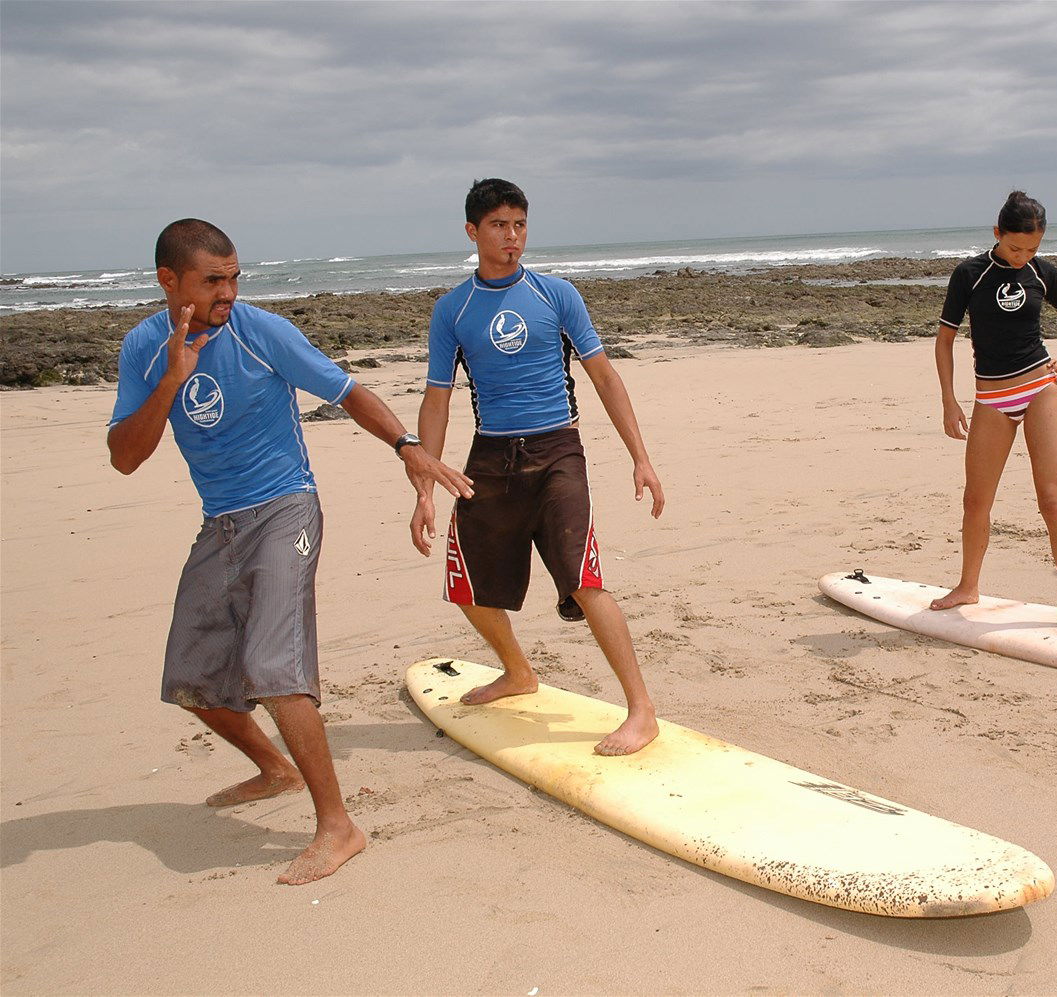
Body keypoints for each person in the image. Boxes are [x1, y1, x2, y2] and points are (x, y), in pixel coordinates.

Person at [107, 218, 474, 885]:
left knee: (274, 668)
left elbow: (348, 391)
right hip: (220, 522)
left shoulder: (261, 331)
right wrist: (170, 378)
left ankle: (339, 824)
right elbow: (125, 458)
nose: (228, 291)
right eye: (212, 280)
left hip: (285, 508)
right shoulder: (142, 348)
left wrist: (407, 449)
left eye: (234, 276)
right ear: (169, 280)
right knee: (190, 680)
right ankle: (273, 768)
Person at [408, 178, 664, 755]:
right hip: (491, 456)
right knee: (468, 585)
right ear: (473, 232)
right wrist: (425, 485)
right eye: (500, 226)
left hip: (557, 453)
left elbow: (603, 375)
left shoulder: (557, 296)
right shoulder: (453, 310)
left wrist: (640, 458)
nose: (513, 237)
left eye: (520, 225)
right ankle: (518, 672)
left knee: (583, 577)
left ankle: (642, 711)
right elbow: (437, 398)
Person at [929, 191, 1057, 636]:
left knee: (1051, 498)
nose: (1023, 257)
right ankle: (968, 586)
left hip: (1040, 389)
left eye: (1032, 249)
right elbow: (945, 341)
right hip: (991, 399)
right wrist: (949, 399)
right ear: (997, 233)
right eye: (1016, 247)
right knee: (975, 500)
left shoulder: (1042, 271)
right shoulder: (970, 275)